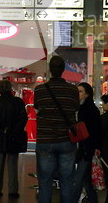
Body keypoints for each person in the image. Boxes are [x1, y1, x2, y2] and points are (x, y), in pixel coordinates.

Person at [34, 55, 79, 203]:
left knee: (45, 181)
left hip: (45, 140)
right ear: (63, 70)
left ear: (50, 70)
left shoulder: (39, 90)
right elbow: (75, 109)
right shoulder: (73, 91)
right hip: (67, 140)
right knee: (67, 181)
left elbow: (37, 109)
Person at [0, 79, 28, 198]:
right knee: (12, 163)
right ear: (11, 89)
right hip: (14, 137)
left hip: (0, 136)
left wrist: (0, 131)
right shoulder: (18, 102)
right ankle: (13, 190)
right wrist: (15, 130)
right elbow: (23, 118)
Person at [72, 83, 102, 203]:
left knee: (78, 179)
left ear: (87, 94)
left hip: (86, 148)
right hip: (82, 147)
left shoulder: (89, 110)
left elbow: (96, 130)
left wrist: (96, 146)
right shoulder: (79, 108)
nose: (77, 94)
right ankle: (93, 199)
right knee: (85, 179)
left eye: (80, 91)